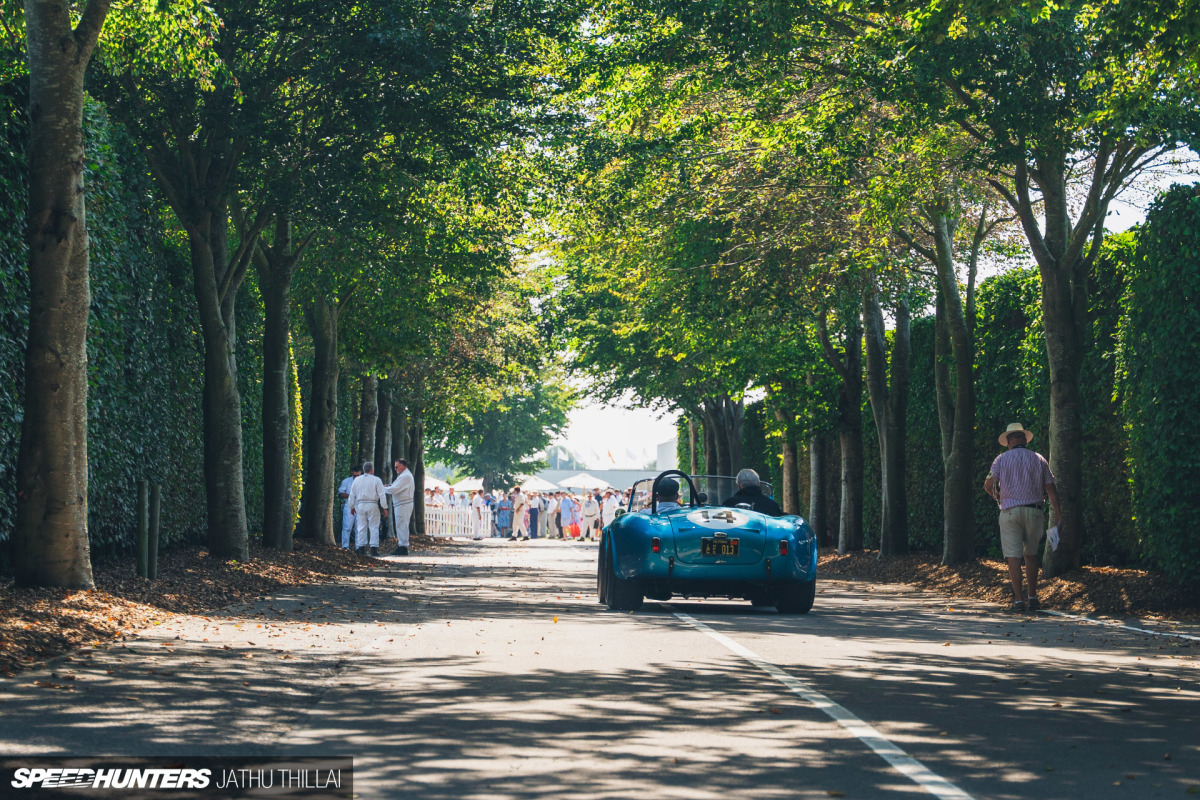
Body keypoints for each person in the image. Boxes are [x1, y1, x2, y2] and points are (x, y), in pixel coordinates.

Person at [984, 422, 1062, 613]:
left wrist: (997, 497)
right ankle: (1033, 597)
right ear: (1025, 440)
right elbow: (1051, 488)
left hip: (1010, 512)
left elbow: (988, 484)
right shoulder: (1039, 459)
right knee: (1031, 555)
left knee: (1013, 557)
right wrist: (1058, 513)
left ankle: (1019, 600)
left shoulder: (1000, 460)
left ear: (1008, 442)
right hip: (1034, 511)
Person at [348, 461, 388, 556]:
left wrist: (351, 506)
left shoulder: (357, 480)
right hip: (372, 504)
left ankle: (361, 548)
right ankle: (374, 549)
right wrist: (384, 507)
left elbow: (352, 494)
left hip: (360, 504)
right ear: (372, 470)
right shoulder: (377, 480)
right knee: (374, 527)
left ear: (363, 470)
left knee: (361, 526)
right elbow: (382, 495)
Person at [384, 458, 415, 556]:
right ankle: (402, 545)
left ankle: (403, 547)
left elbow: (394, 489)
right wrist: (389, 486)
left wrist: (382, 488)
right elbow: (395, 486)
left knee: (402, 525)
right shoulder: (403, 475)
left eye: (396, 467)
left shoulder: (405, 476)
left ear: (402, 466)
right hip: (402, 504)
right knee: (401, 525)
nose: (395, 469)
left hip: (403, 504)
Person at [338, 464, 362, 549]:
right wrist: (351, 496)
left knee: (359, 528)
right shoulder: (346, 481)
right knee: (347, 527)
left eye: (358, 475)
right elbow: (341, 493)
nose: (356, 477)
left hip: (360, 506)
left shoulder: (363, 482)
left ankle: (358, 547)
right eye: (355, 475)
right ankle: (345, 546)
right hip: (349, 505)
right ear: (352, 473)